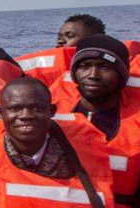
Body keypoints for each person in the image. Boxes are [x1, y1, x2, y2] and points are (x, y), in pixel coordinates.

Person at [0, 77, 115, 208]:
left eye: (37, 109)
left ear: (51, 111)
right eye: (15, 109)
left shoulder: (80, 154)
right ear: (0, 113)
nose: (26, 115)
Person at [52, 35, 140, 207]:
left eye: (104, 67)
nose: (93, 75)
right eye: (85, 66)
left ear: (121, 75)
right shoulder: (50, 113)